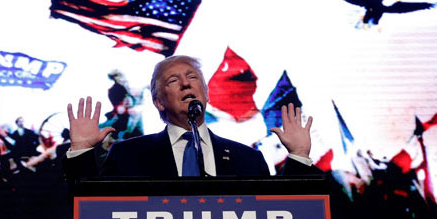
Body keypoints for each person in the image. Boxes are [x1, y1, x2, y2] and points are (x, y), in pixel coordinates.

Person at [64, 55, 315, 180]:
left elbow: (284, 215)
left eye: (193, 78)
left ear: (205, 95)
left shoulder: (248, 160)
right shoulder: (128, 155)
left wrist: (299, 158)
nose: (185, 84)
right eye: (173, 81)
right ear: (159, 102)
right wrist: (81, 152)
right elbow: (90, 212)